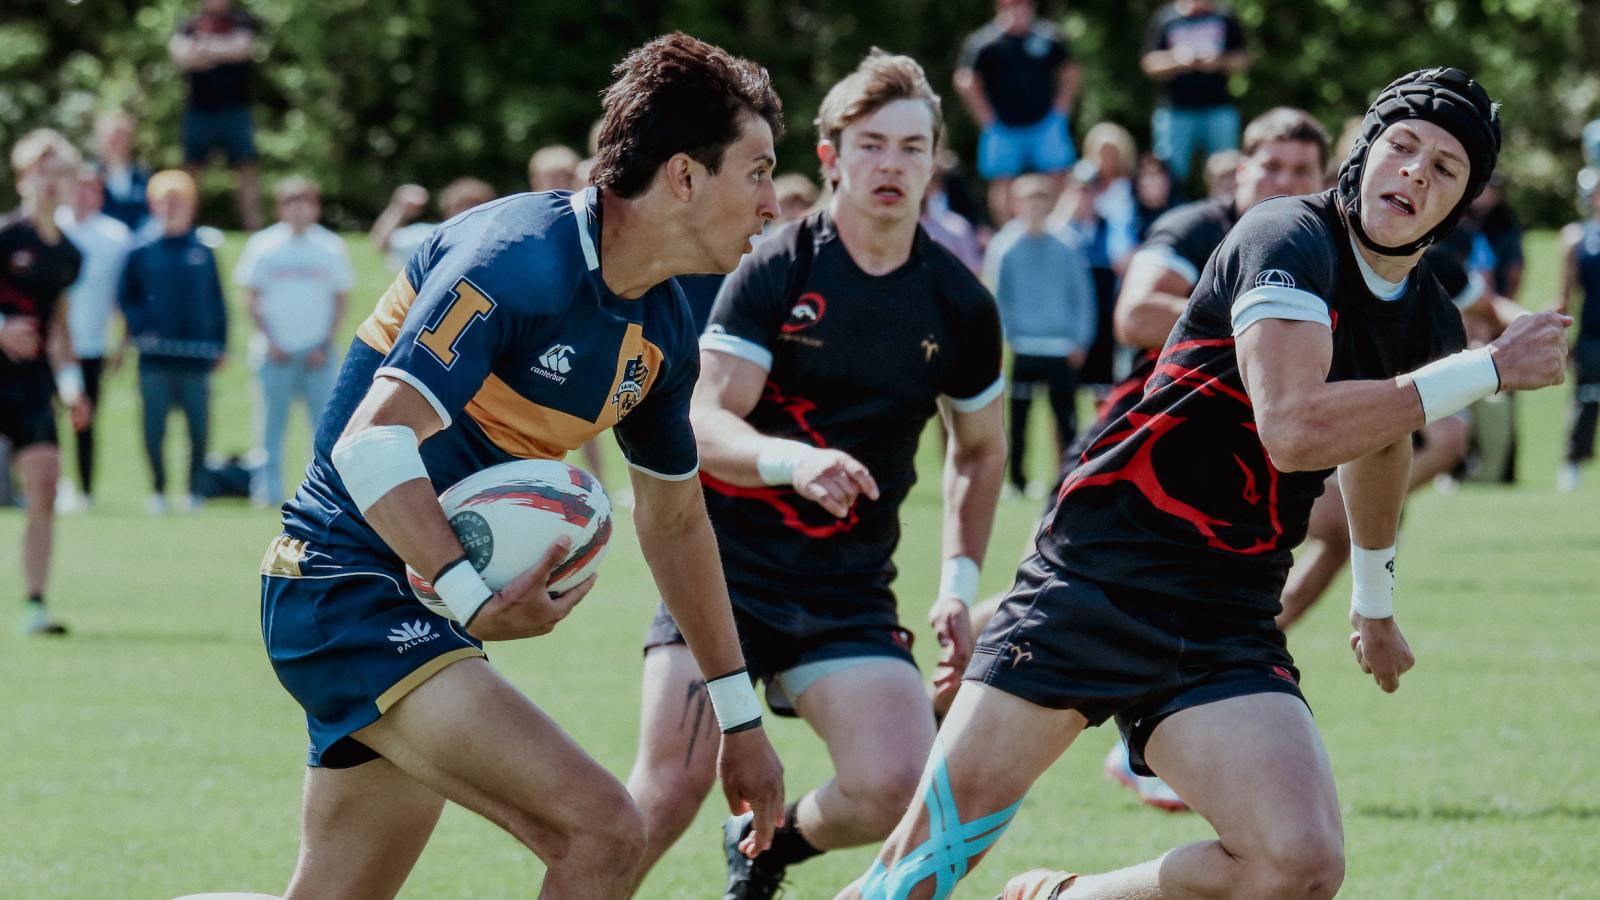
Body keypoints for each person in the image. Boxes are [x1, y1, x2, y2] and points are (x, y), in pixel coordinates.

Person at [843, 68, 1569, 900]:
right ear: (1365, 151)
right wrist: (1486, 370)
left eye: (1445, 168)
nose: (1414, 172)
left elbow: (1379, 447)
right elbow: (1293, 429)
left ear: (1461, 201)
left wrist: (1373, 599)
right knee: (920, 867)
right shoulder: (1286, 235)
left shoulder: (1427, 314)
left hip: (1226, 613)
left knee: (1296, 865)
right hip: (1102, 576)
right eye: (1402, 146)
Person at [253, 33, 785, 900]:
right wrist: (470, 595)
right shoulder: (516, 258)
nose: (772, 203)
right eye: (757, 171)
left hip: (414, 603)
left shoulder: (664, 329)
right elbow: (370, 442)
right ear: (684, 176)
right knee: (605, 832)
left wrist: (739, 718)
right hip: (343, 585)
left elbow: (677, 521)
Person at [625, 51, 1005, 900]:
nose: (892, 166)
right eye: (872, 145)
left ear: (935, 161)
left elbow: (980, 449)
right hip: (727, 574)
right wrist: (794, 461)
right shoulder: (778, 267)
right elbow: (705, 418)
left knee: (897, 786)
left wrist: (958, 581)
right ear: (832, 156)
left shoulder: (959, 302)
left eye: (913, 147)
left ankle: (768, 847)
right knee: (670, 785)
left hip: (846, 586)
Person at [0, 129, 90, 636]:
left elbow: (59, 325)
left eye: (60, 171)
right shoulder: (5, 236)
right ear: (23, 177)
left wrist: (73, 386)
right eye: (43, 170)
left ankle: (35, 603)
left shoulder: (69, 254)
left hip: (31, 381)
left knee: (45, 482)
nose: (52, 181)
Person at [233, 176, 353, 507]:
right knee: (269, 428)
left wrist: (324, 343)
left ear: (315, 207)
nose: (298, 207)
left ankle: (325, 494)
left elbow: (341, 300)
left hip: (319, 353)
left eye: (305, 200)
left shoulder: (330, 247)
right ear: (280, 207)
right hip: (275, 354)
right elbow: (251, 297)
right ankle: (267, 492)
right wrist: (269, 340)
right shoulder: (263, 245)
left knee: (325, 430)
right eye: (291, 201)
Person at [118, 170, 228, 514]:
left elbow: (217, 300)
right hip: (155, 357)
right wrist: (140, 328)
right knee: (154, 428)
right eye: (164, 201)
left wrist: (220, 342)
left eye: (178, 201)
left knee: (198, 428)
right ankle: (158, 490)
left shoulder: (202, 249)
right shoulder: (141, 248)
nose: (171, 208)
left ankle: (195, 491)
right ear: (152, 204)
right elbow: (126, 296)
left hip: (197, 356)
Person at [985, 175, 1096, 495]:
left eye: (1040, 201)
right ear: (1016, 205)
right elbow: (997, 301)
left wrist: (1080, 340)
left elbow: (1082, 297)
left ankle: (1065, 480)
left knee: (1066, 420)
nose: (1034, 208)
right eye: (1027, 201)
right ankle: (1016, 481)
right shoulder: (1004, 247)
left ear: (1049, 204)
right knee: (1018, 421)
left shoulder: (1068, 244)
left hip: (1061, 347)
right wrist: (1003, 342)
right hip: (1022, 346)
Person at [956, 0, 1080, 225]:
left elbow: (1070, 71)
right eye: (1012, 5)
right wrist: (986, 120)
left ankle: (1057, 228)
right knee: (1002, 181)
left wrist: (1061, 111)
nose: (1019, 11)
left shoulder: (1048, 37)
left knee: (1058, 175)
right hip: (1003, 126)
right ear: (1000, 8)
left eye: (1024, 5)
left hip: (1045, 123)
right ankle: (1006, 230)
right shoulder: (985, 42)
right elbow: (965, 80)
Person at [56, 164, 133, 511]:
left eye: (91, 188)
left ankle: (84, 491)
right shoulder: (52, 226)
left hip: (92, 343)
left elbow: (125, 295)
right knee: (41, 420)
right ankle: (47, 485)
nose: (83, 195)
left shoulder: (116, 236)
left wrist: (121, 341)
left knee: (85, 421)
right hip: (50, 344)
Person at [169, 0, 263, 229]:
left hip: (235, 108)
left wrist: (202, 48)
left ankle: (254, 229)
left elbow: (242, 50)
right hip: (199, 110)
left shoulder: (241, 21)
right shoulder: (188, 23)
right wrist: (222, 50)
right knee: (191, 172)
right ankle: (184, 227)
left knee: (246, 169)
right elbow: (180, 56)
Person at [1141, 0, 1249, 190]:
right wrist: (1177, 60)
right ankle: (1171, 214)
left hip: (1218, 107)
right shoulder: (1166, 18)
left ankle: (1228, 213)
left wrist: (1218, 61)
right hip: (1175, 111)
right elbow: (1149, 63)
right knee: (1170, 174)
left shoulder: (1224, 17)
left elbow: (1243, 59)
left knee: (1227, 171)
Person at [1555, 169, 1600, 492]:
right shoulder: (1577, 237)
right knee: (1586, 397)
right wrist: (1563, 336)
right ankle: (1573, 460)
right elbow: (1566, 294)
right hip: (1592, 333)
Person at [370, 177, 497, 272]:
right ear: (448, 207)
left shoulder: (496, 242)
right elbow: (384, 243)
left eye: (475, 205)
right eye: (461, 205)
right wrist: (400, 207)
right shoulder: (434, 237)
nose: (467, 211)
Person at [92, 110, 152, 233]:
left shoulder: (146, 181)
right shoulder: (89, 180)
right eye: (111, 137)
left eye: (121, 136)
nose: (116, 142)